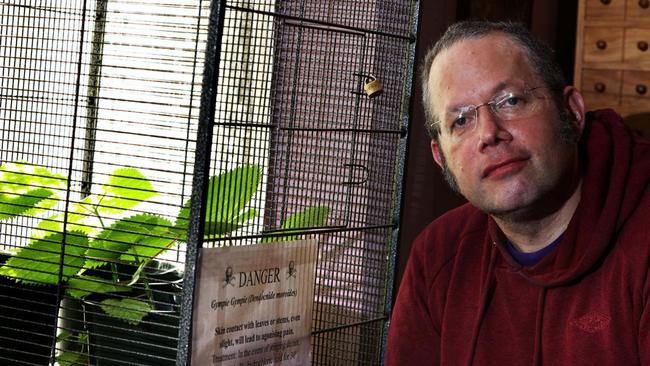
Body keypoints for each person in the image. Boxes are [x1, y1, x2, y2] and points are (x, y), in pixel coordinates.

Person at [386, 20, 650, 365]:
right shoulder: (437, 255)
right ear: (441, 158)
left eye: (510, 101)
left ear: (571, 112)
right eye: (461, 121)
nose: (488, 134)